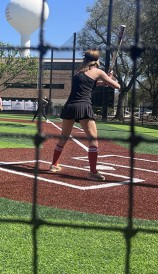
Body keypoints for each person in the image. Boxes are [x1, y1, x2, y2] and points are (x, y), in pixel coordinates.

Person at [48, 49, 120, 181]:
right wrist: (109, 78)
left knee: (63, 138)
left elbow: (89, 84)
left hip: (70, 106)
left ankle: (54, 165)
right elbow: (117, 86)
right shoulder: (98, 71)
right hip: (84, 106)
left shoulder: (78, 72)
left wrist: (104, 80)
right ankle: (93, 172)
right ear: (97, 60)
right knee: (93, 142)